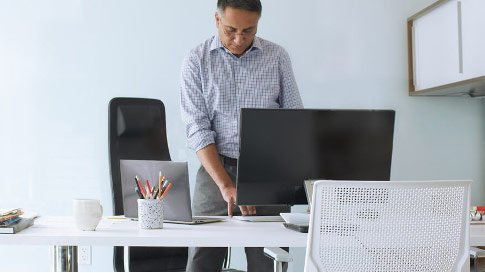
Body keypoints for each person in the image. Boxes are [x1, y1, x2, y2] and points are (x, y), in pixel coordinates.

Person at [180, 0, 303, 271]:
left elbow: (294, 119)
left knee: (268, 260)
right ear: (216, 20)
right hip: (215, 168)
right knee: (202, 259)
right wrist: (225, 185)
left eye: (248, 30)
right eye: (230, 30)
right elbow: (197, 129)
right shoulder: (196, 59)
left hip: (268, 171)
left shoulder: (277, 56)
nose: (238, 39)